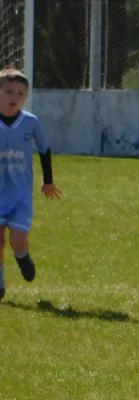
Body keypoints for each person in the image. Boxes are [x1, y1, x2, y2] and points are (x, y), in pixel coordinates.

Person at [0, 66, 61, 302]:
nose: (14, 97)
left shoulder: (31, 123)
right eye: (8, 91)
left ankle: (22, 256)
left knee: (17, 239)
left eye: (20, 93)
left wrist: (48, 181)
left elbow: (45, 149)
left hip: (20, 195)